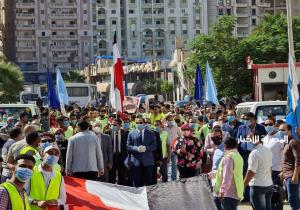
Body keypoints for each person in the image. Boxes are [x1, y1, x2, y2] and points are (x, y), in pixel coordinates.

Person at [25, 145, 66, 210]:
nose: (53, 156)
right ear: (43, 155)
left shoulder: (59, 176)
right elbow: (20, 195)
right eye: (50, 153)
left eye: (56, 154)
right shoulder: (31, 172)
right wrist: (35, 202)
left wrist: (56, 202)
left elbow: (63, 199)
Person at [244, 133, 273, 210]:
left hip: (258, 186)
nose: (248, 141)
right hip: (269, 184)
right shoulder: (267, 150)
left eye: (249, 139)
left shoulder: (254, 153)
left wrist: (243, 185)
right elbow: (270, 168)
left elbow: (251, 171)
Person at [215, 137, 244, 210]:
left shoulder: (228, 157)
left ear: (225, 146)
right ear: (236, 146)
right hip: (236, 192)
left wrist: (222, 191)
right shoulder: (238, 156)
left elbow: (227, 176)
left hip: (228, 193)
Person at [127, 117, 157, 187]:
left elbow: (154, 146)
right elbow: (128, 146)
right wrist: (136, 148)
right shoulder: (131, 133)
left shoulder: (151, 133)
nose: (139, 124)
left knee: (148, 182)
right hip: (135, 162)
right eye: (137, 123)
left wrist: (146, 148)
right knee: (136, 183)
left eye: (140, 123)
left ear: (144, 123)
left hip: (148, 161)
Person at [280, 125, 300, 210]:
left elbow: (298, 159)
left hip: (292, 175)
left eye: (282, 130)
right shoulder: (286, 143)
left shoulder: (293, 142)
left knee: (293, 200)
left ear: (289, 131)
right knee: (293, 199)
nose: (280, 132)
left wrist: (295, 175)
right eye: (279, 130)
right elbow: (287, 160)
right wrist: (282, 172)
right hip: (287, 174)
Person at [107, 119, 129, 185]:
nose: (112, 126)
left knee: (122, 177)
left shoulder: (126, 133)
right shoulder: (107, 132)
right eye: (112, 125)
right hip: (112, 157)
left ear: (120, 125)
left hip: (122, 157)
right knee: (111, 178)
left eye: (114, 125)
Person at [164, 114, 180, 181]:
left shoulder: (176, 126)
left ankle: (173, 179)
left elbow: (179, 135)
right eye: (169, 120)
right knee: (166, 165)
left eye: (171, 119)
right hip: (166, 149)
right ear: (166, 120)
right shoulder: (164, 127)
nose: (170, 121)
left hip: (174, 148)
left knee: (174, 165)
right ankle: (165, 178)